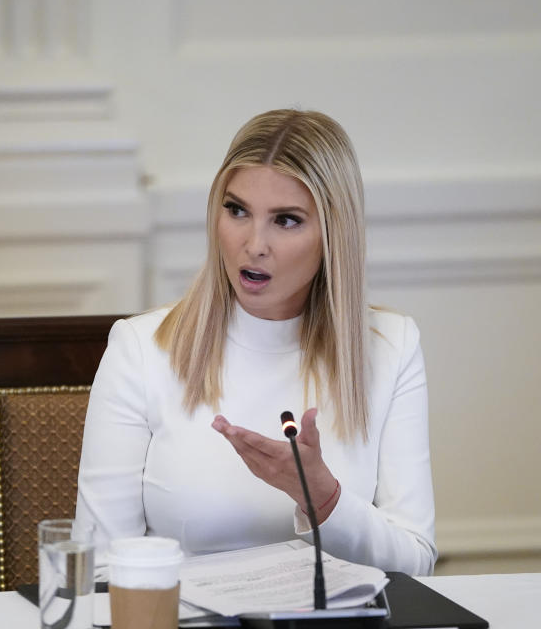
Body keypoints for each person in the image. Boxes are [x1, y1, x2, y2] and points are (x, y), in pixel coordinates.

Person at [75, 109, 437, 576]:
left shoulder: (392, 348)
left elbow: (415, 564)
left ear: (333, 235)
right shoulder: (140, 349)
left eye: (285, 220)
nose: (253, 244)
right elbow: (101, 569)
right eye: (237, 210)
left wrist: (324, 499)